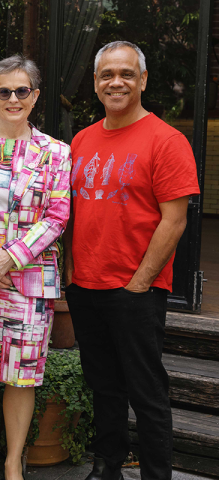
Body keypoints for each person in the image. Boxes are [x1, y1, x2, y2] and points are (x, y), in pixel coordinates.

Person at [64, 41, 199, 480]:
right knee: (103, 387)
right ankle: (108, 467)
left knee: (146, 393)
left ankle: (156, 474)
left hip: (135, 290)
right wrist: (71, 274)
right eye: (106, 75)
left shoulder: (167, 140)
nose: (115, 82)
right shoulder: (83, 139)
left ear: (142, 80)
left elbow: (174, 221)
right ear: (97, 84)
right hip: (86, 287)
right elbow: (73, 212)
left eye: (125, 73)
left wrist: (140, 282)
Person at [0, 55, 71, 480]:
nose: (12, 99)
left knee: (21, 376)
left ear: (35, 96)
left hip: (29, 282)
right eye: (3, 91)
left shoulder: (56, 152)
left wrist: (10, 256)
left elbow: (57, 216)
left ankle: (12, 463)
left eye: (21, 91)